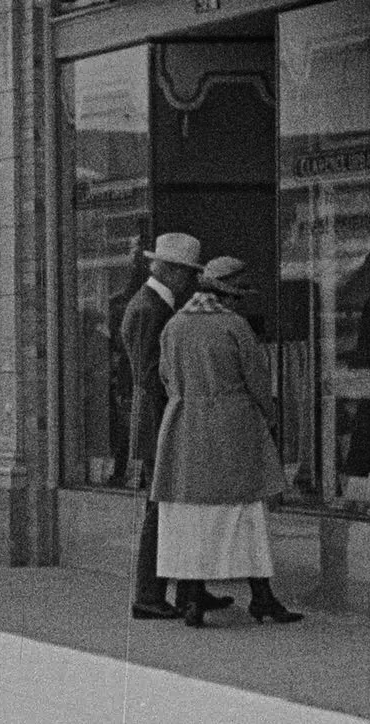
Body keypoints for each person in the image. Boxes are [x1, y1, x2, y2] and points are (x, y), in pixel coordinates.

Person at [151, 255, 303, 627]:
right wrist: (269, 416)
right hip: (231, 427)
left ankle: (192, 598)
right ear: (228, 294)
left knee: (190, 516)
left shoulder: (174, 325)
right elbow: (257, 379)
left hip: (183, 427)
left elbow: (166, 376)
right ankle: (262, 597)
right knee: (245, 514)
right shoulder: (234, 326)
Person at [120, 232, 233, 620]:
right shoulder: (148, 309)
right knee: (162, 509)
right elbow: (150, 373)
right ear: (167, 269)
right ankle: (149, 595)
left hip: (162, 417)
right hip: (159, 419)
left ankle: (188, 591)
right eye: (185, 272)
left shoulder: (156, 305)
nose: (188, 280)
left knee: (178, 506)